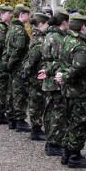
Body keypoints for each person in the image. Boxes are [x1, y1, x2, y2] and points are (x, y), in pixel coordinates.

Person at [55, 12, 86, 168]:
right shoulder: (79, 45)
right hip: (80, 90)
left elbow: (62, 62)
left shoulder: (65, 40)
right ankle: (74, 155)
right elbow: (77, 68)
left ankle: (67, 151)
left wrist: (62, 76)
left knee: (70, 121)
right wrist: (64, 76)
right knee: (81, 123)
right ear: (83, 26)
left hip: (68, 90)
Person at [38, 10, 69, 156]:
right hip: (55, 78)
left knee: (50, 110)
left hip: (48, 77)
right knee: (57, 112)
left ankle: (51, 141)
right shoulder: (57, 38)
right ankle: (54, 142)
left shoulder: (48, 35)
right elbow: (59, 60)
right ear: (64, 22)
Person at [3, 4, 32, 132]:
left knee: (11, 91)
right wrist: (11, 63)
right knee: (19, 92)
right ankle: (19, 119)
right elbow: (19, 49)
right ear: (22, 14)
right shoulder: (19, 30)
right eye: (27, 14)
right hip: (18, 65)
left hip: (12, 64)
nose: (29, 16)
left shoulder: (11, 28)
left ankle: (11, 118)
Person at [21, 12, 49, 141]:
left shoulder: (38, 38)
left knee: (39, 102)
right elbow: (32, 60)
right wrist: (27, 73)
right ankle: (36, 129)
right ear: (41, 24)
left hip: (38, 75)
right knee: (36, 103)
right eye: (47, 24)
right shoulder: (39, 40)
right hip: (36, 76)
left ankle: (37, 127)